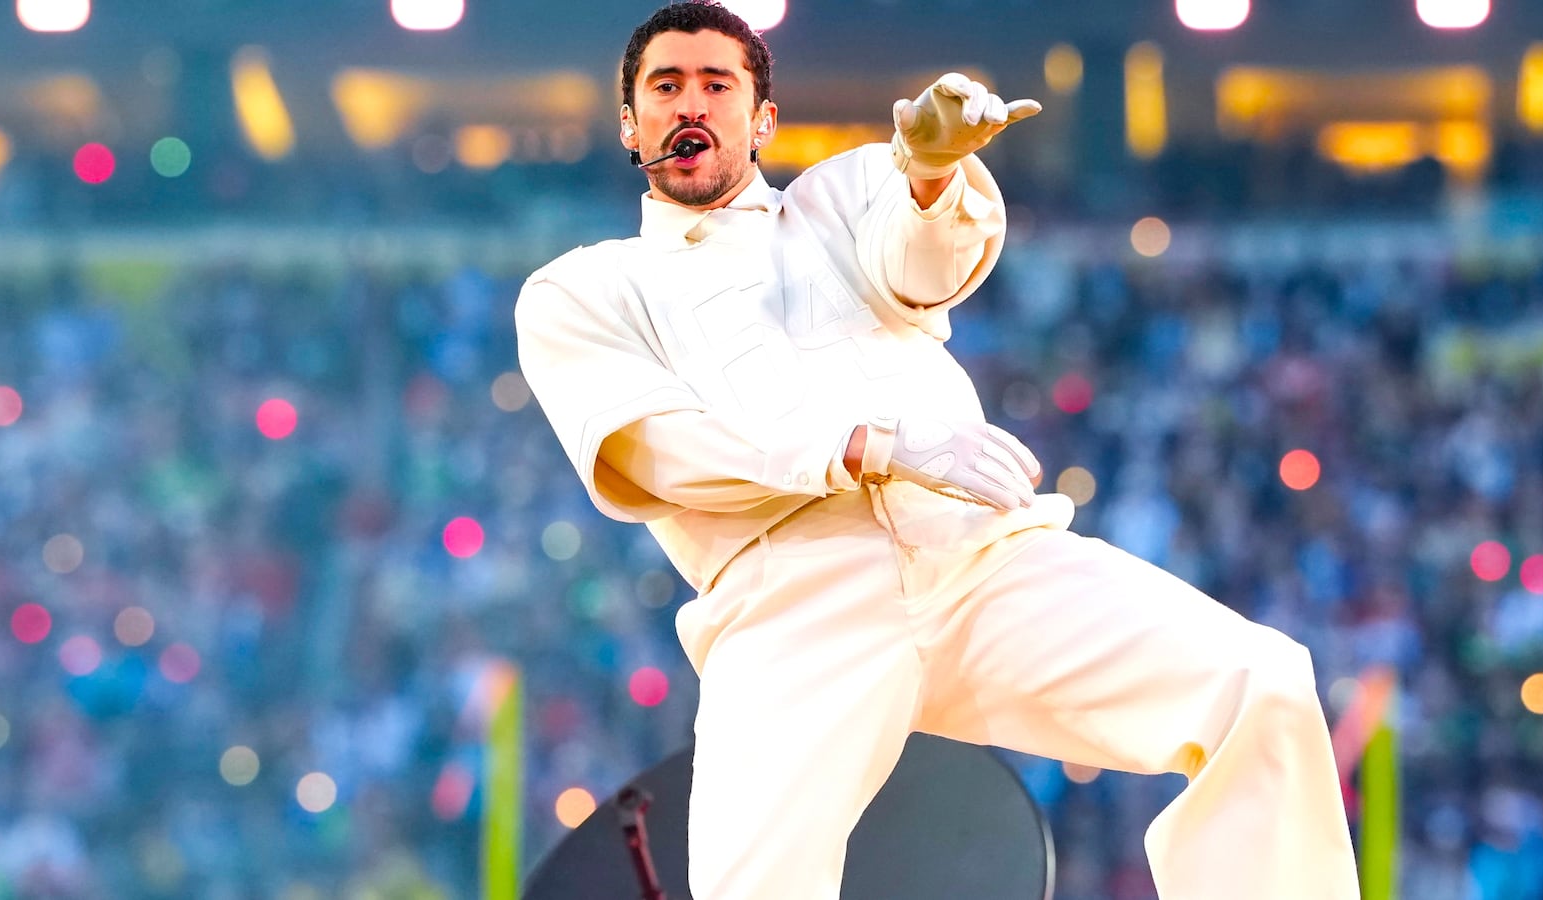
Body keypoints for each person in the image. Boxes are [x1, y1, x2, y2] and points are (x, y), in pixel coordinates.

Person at [514, 2, 1360, 897]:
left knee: (1259, 684)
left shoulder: (836, 198)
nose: (692, 104)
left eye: (716, 85)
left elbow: (923, 266)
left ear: (762, 119)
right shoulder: (581, 288)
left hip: (976, 554)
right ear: (629, 121)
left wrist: (929, 174)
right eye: (666, 86)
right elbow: (652, 451)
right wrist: (864, 445)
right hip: (794, 599)